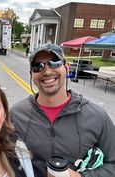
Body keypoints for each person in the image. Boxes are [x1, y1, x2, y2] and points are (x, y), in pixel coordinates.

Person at [10, 44, 115, 177]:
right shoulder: (17, 113)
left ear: (67, 67)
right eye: (38, 66)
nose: (47, 71)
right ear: (31, 74)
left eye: (54, 63)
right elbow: (3, 156)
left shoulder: (96, 116)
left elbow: (112, 164)